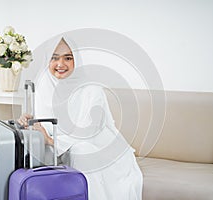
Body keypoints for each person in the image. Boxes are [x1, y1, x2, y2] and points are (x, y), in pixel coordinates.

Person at [18, 37, 143, 200]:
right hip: (62, 147)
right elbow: (45, 124)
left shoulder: (92, 90)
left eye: (68, 58)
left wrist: (49, 139)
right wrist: (29, 121)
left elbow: (88, 133)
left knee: (81, 151)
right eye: (54, 58)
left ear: (78, 61)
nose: (60, 64)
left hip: (99, 149)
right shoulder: (43, 88)